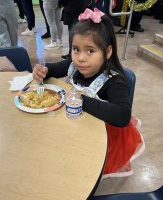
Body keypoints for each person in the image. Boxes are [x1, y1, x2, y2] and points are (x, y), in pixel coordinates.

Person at [33, 8, 145, 178]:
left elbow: (122, 115)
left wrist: (81, 100)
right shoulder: (74, 64)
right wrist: (44, 70)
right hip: (80, 124)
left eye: (90, 51)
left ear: (107, 52)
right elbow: (55, 69)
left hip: (106, 137)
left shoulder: (113, 81)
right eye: (76, 49)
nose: (81, 58)